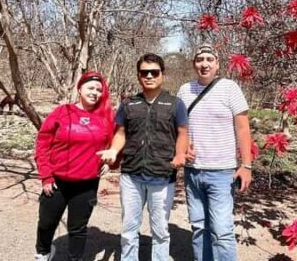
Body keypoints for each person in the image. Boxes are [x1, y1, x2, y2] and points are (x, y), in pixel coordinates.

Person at [98, 53, 189, 261]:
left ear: (162, 75)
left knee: (160, 231)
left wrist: (180, 154)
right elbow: (120, 133)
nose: (149, 76)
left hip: (162, 176)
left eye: (154, 72)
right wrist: (113, 150)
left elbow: (183, 133)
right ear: (139, 76)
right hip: (131, 175)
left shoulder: (175, 104)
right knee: (129, 230)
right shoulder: (129, 104)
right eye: (144, 72)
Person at [177, 44, 253, 261]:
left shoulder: (230, 88)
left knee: (221, 231)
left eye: (210, 59)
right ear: (194, 64)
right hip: (193, 171)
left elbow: (243, 128)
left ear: (217, 64)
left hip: (222, 172)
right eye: (200, 59)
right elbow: (180, 126)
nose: (204, 63)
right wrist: (183, 147)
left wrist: (246, 165)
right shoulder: (185, 90)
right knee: (199, 227)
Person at [34, 72, 114, 261]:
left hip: (86, 184)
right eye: (90, 88)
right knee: (46, 223)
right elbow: (43, 143)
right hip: (57, 181)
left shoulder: (105, 118)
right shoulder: (63, 112)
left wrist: (111, 163)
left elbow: (113, 145)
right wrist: (46, 176)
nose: (94, 92)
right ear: (79, 89)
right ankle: (43, 253)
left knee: (77, 228)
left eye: (98, 90)